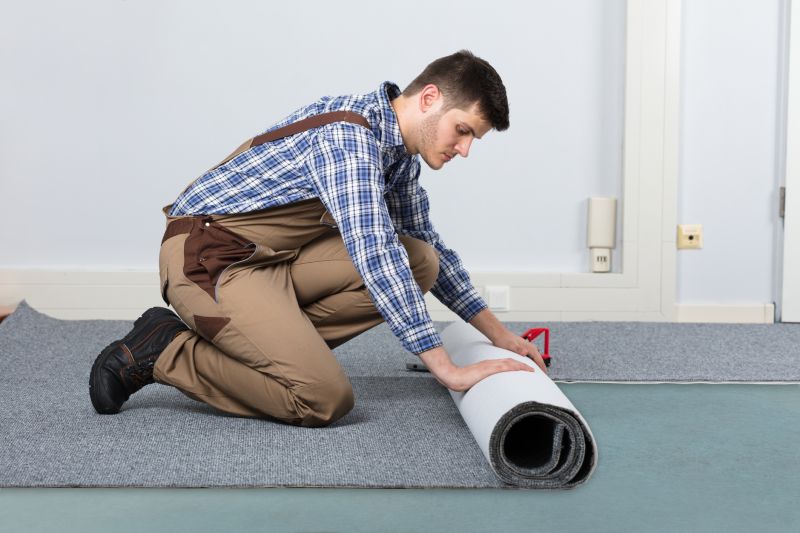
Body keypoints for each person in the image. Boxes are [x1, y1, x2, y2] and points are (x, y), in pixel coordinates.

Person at [89, 50, 548, 427]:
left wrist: (499, 335)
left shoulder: (399, 156)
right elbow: (374, 251)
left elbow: (429, 251)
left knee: (421, 260)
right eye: (463, 130)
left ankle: (271, 348)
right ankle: (164, 349)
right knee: (322, 398)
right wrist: (447, 369)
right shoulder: (347, 139)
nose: (464, 149)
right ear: (430, 98)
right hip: (210, 260)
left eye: (474, 140)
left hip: (273, 262)